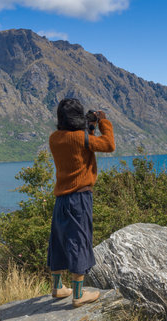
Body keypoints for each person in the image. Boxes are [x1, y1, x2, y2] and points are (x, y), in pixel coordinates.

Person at [48, 98, 115, 307]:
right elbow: (109, 145)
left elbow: (79, 149)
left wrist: (89, 128)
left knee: (58, 241)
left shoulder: (54, 138)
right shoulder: (80, 138)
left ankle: (58, 287)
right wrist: (103, 122)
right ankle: (78, 295)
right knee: (79, 240)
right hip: (79, 197)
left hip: (61, 199)